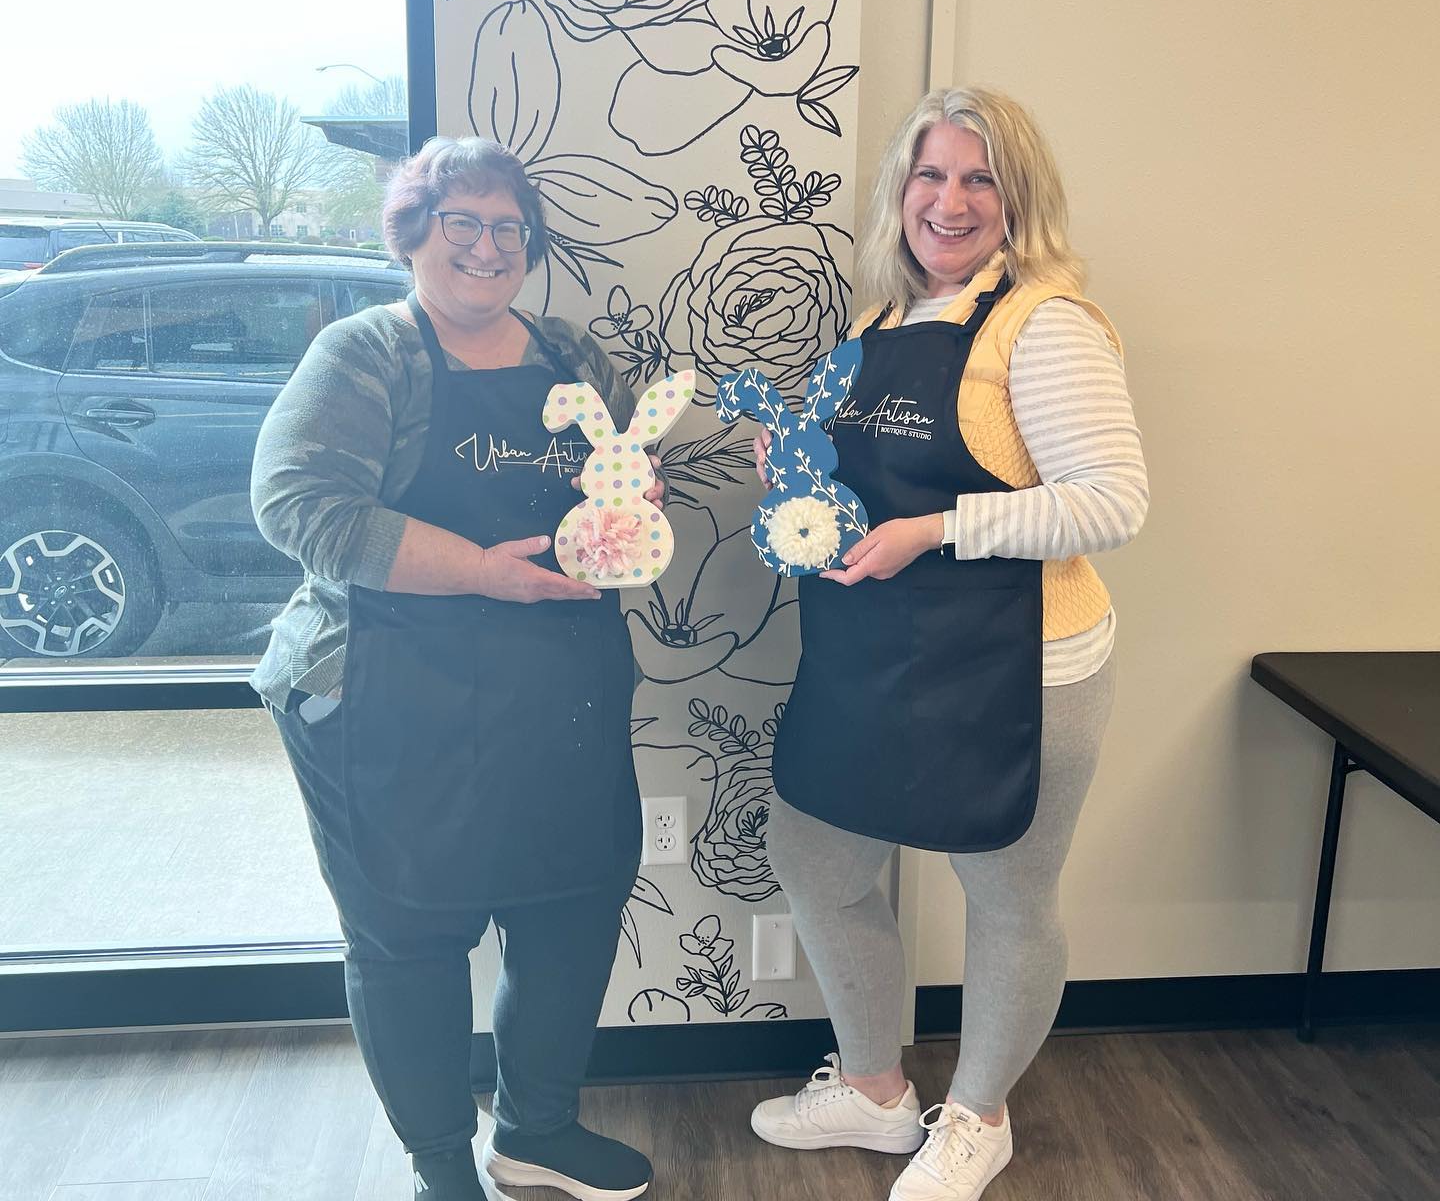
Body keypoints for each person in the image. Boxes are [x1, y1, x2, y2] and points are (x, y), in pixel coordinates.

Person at [748, 87, 1148, 1201]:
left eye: (980, 179)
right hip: (875, 658)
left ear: (1019, 200)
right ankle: (878, 1095)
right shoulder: (881, 326)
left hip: (1017, 671)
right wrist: (795, 491)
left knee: (1008, 898)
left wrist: (935, 528)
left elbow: (1113, 502)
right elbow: (862, 485)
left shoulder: (1046, 323)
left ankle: (977, 1118)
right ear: (901, 191)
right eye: (931, 175)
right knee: (817, 860)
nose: (951, 199)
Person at [250, 137, 657, 1201]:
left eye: (507, 228)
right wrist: (481, 571)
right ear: (414, 234)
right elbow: (299, 505)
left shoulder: (573, 358)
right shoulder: (366, 355)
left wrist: (629, 507)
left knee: (572, 909)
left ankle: (537, 1132)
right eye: (460, 223)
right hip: (389, 694)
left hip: (558, 682)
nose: (485, 248)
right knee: (409, 933)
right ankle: (441, 1167)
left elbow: (615, 482)